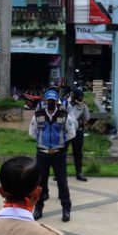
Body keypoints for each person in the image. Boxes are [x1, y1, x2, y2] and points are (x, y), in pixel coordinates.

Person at [29, 89, 76, 222]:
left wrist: (60, 141)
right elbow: (32, 132)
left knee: (62, 182)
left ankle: (66, 209)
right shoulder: (38, 115)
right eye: (49, 100)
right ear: (45, 101)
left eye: (53, 101)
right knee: (40, 183)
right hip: (42, 154)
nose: (50, 103)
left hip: (58, 154)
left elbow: (71, 133)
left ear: (56, 102)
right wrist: (42, 141)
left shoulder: (64, 115)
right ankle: (38, 209)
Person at [68, 88, 90, 182]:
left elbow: (87, 117)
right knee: (61, 152)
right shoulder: (65, 103)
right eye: (77, 99)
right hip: (66, 131)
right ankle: (59, 173)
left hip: (78, 132)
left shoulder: (82, 104)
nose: (79, 101)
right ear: (73, 97)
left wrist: (85, 107)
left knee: (78, 153)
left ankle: (79, 173)